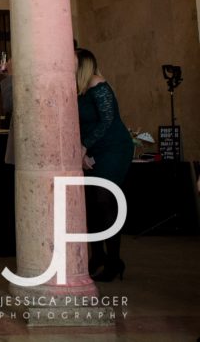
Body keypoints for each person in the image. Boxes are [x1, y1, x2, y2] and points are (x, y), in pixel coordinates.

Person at [76, 47, 134, 282]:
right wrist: (82, 152)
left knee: (104, 198)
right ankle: (97, 256)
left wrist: (84, 146)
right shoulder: (77, 89)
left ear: (83, 63)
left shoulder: (96, 83)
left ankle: (114, 261)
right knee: (90, 203)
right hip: (92, 150)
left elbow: (108, 120)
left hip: (114, 148)